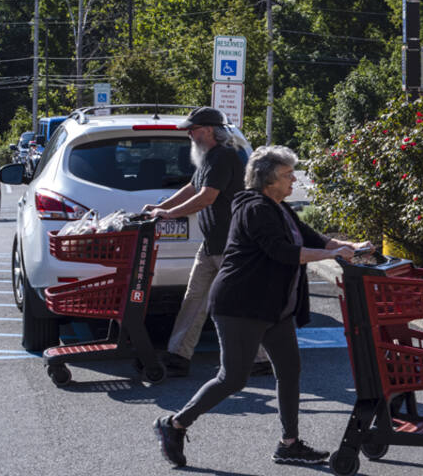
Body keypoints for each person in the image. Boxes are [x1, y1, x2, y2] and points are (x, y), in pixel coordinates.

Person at [153, 145, 365, 468]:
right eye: (286, 174)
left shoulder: (279, 207)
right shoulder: (255, 208)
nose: (294, 179)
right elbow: (284, 252)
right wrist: (331, 256)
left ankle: (288, 443)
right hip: (239, 305)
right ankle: (174, 425)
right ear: (267, 180)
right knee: (233, 378)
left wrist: (352, 247)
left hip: (272, 307)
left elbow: (314, 238)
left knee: (290, 369)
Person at [144, 107, 265, 377]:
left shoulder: (224, 156)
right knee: (194, 299)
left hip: (233, 244)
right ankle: (178, 356)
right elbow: (192, 187)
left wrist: (170, 214)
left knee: (236, 304)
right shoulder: (209, 157)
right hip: (211, 243)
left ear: (209, 130)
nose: (189, 133)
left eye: (193, 129)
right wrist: (161, 206)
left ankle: (260, 358)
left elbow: (207, 197)